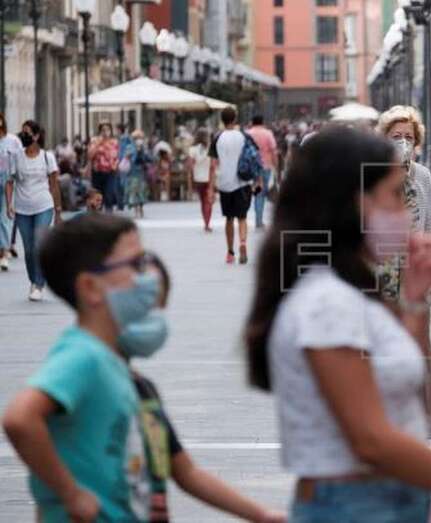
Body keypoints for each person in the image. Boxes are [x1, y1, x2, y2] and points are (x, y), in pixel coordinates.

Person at [244, 127, 431, 523]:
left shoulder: (349, 288)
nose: (405, 212)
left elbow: (391, 379)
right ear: (354, 203)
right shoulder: (325, 304)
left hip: (387, 501)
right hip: (354, 505)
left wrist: (413, 300)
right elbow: (372, 440)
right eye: (393, 196)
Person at [2, 214, 158, 522]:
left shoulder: (107, 355)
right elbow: (20, 418)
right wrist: (69, 493)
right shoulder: (83, 356)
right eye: (136, 265)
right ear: (90, 287)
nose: (148, 275)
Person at [120, 254, 285, 522]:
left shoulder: (141, 388)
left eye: (158, 307)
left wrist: (262, 515)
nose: (153, 319)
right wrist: (72, 494)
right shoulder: (88, 364)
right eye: (144, 303)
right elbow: (26, 418)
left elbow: (186, 473)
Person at [377, 105, 431, 439]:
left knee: (420, 346)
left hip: (416, 270)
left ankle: (425, 427)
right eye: (396, 137)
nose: (403, 142)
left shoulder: (423, 175)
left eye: (408, 137)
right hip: (382, 270)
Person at [4, 120, 62, 301]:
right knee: (28, 249)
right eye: (22, 132)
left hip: (44, 206)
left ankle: (39, 283)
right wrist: (9, 204)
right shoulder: (16, 156)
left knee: (38, 245)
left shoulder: (47, 157)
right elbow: (10, 182)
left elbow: (54, 185)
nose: (24, 135)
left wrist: (58, 211)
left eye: (27, 132)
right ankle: (33, 280)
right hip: (22, 209)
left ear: (36, 136)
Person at [209, 107, 253, 264]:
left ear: (222, 120)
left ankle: (230, 252)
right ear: (235, 119)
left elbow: (213, 165)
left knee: (229, 218)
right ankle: (242, 242)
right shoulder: (244, 136)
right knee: (242, 217)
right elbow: (254, 157)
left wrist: (210, 188)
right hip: (242, 182)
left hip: (225, 183)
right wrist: (257, 181)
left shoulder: (217, 138)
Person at [246, 115, 278, 230]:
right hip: (266, 166)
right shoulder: (267, 133)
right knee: (263, 193)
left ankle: (258, 219)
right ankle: (259, 220)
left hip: (252, 168)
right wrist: (276, 165)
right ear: (262, 122)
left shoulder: (248, 134)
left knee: (257, 193)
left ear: (252, 122)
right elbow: (273, 150)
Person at [0, 113, 22, 272]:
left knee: (5, 217)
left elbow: (20, 159)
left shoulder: (13, 140)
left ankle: (5, 252)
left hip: (8, 181)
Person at [88, 122, 120, 212]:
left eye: (108, 130)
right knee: (98, 196)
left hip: (110, 172)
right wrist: (98, 143)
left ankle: (109, 215)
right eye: (103, 130)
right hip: (97, 172)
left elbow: (117, 156)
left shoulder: (114, 142)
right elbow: (90, 156)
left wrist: (116, 165)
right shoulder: (94, 141)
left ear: (111, 131)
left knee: (109, 194)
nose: (105, 132)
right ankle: (99, 217)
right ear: (99, 131)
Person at [189, 128, 214, 232]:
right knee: (208, 201)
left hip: (197, 178)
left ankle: (205, 222)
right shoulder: (211, 149)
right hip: (208, 178)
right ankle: (207, 223)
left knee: (203, 202)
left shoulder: (192, 149)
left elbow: (190, 165)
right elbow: (213, 166)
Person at [126, 130, 154, 219]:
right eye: (136, 138)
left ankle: (141, 208)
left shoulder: (144, 148)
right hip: (132, 172)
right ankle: (136, 210)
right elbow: (130, 159)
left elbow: (149, 159)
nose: (138, 140)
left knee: (142, 191)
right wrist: (136, 151)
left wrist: (142, 152)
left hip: (141, 173)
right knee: (133, 191)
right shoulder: (130, 147)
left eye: (140, 138)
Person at [116, 124, 133, 211]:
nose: (116, 131)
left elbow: (128, 150)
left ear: (119, 130)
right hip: (123, 162)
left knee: (121, 184)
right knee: (122, 183)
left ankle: (122, 202)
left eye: (117, 129)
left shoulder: (124, 139)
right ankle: (122, 203)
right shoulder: (123, 139)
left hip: (122, 162)